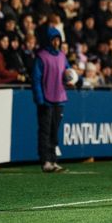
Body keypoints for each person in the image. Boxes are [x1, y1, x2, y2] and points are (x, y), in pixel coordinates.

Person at [32, 27, 72, 173]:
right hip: (46, 100)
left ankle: (53, 160)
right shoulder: (42, 56)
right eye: (54, 40)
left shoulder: (62, 56)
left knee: (54, 131)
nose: (56, 42)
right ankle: (45, 161)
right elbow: (36, 79)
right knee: (45, 131)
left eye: (58, 40)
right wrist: (39, 97)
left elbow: (68, 71)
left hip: (59, 98)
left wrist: (76, 79)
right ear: (49, 41)